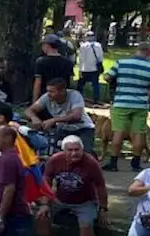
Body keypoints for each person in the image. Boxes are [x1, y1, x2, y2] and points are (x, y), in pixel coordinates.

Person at [35, 135, 108, 236]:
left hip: (84, 202)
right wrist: (44, 203)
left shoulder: (91, 163)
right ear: (64, 150)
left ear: (82, 149)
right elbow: (46, 180)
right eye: (70, 150)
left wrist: (103, 208)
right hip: (60, 199)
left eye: (77, 150)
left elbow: (100, 186)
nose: (74, 153)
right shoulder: (55, 160)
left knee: (86, 225)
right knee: (41, 216)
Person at [102, 41, 150, 172]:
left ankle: (113, 163)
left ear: (137, 50)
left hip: (121, 102)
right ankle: (135, 163)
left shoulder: (121, 63)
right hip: (141, 104)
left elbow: (107, 77)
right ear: (148, 52)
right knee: (139, 133)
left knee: (118, 132)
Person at [26, 78, 96, 152]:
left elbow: (76, 116)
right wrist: (34, 118)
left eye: (52, 91)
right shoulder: (47, 97)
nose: (48, 94)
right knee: (51, 149)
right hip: (63, 129)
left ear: (62, 91)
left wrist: (54, 120)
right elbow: (29, 110)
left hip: (83, 128)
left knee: (85, 152)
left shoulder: (74, 95)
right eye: (48, 91)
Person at [33, 34, 74, 102]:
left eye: (43, 45)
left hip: (45, 98)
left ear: (47, 46)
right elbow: (71, 82)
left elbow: (38, 83)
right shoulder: (68, 62)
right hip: (62, 99)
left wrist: (35, 101)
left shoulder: (41, 61)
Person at [77, 31, 105, 103]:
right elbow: (100, 57)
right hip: (95, 68)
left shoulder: (83, 46)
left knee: (80, 85)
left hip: (85, 68)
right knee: (95, 84)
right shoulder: (98, 45)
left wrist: (80, 69)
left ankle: (78, 98)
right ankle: (96, 99)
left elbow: (81, 58)